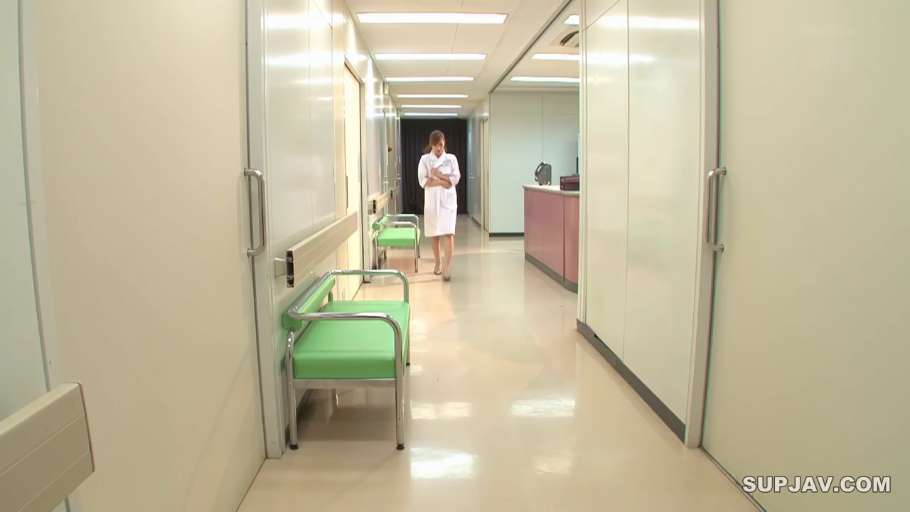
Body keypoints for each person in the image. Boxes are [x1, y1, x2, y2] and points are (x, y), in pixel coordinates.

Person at [417, 130, 460, 281]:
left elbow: (455, 179)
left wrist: (438, 175)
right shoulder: (424, 160)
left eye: (441, 144)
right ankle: (438, 262)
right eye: (436, 145)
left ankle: (447, 267)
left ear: (444, 143)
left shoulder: (451, 159)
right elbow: (423, 181)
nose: (439, 148)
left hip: (448, 203)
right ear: (431, 145)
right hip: (432, 201)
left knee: (449, 233)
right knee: (435, 235)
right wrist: (444, 181)